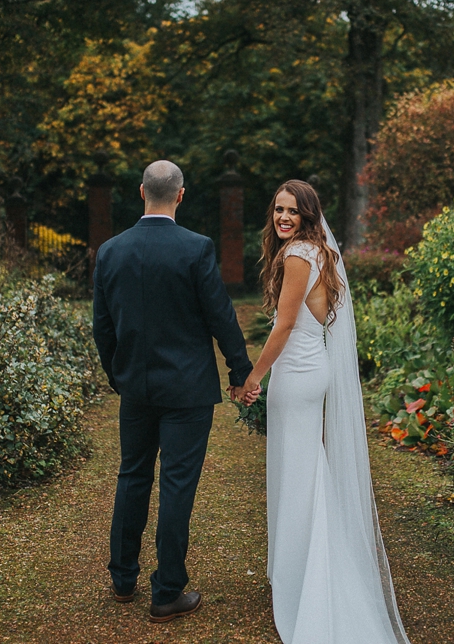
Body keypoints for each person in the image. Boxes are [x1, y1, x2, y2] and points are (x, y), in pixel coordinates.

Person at [238, 179, 412, 644]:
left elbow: (286, 324)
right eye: (278, 209)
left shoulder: (298, 256)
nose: (283, 218)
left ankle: (303, 580)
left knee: (298, 477)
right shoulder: (318, 253)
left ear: (308, 215)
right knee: (303, 471)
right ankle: (297, 568)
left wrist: (254, 376)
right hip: (308, 372)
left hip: (296, 378)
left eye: (292, 211)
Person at [93, 160, 253, 623]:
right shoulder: (196, 249)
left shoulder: (110, 251)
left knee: (132, 475)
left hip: (136, 389)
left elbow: (102, 326)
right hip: (187, 390)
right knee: (176, 484)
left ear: (141, 191)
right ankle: (166, 592)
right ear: (180, 195)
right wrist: (240, 372)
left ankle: (123, 579)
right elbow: (221, 316)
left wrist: (115, 373)